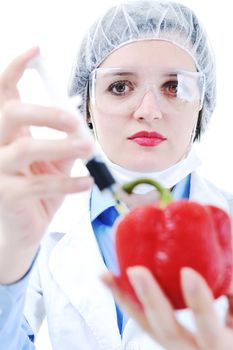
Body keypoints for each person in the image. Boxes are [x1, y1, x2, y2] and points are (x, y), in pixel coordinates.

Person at [0, 1, 233, 349]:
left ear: (201, 102)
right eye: (121, 87)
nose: (149, 112)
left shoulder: (223, 218)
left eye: (175, 87)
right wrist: (10, 257)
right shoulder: (45, 228)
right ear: (87, 105)